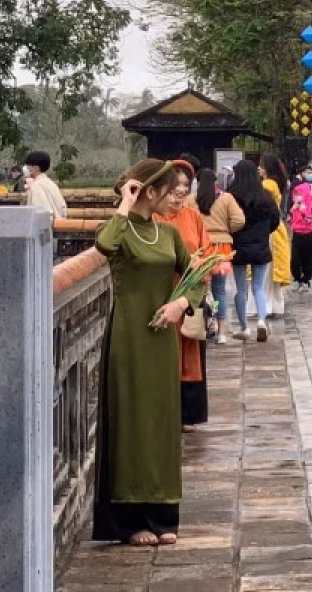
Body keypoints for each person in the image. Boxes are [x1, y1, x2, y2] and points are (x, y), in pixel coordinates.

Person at [92, 159, 205, 546]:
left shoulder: (169, 234)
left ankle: (162, 514)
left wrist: (180, 305)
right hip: (129, 338)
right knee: (132, 423)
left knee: (161, 421)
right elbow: (103, 244)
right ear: (150, 190)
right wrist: (126, 202)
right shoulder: (123, 231)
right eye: (170, 188)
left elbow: (197, 278)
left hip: (162, 341)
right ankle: (130, 520)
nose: (178, 195)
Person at [154, 161, 212, 432]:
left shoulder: (194, 217)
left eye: (185, 186)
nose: (180, 191)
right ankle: (161, 412)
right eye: (174, 186)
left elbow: (206, 252)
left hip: (187, 293)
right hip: (160, 293)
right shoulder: (153, 219)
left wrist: (200, 277)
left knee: (189, 350)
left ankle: (187, 414)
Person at [228, 161, 280, 342]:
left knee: (241, 288)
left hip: (238, 247)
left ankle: (243, 327)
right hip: (261, 247)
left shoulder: (231, 196)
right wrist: (264, 233)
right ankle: (261, 321)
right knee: (258, 287)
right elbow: (275, 220)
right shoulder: (265, 196)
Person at [200, 166, 242, 341]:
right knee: (220, 290)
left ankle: (204, 324)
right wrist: (226, 230)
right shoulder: (226, 198)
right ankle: (222, 331)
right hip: (222, 248)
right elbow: (239, 220)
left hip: (201, 248)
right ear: (216, 182)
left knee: (202, 290)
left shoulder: (192, 200)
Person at [258, 155, 292, 320]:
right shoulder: (276, 184)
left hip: (268, 230)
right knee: (273, 272)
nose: (259, 168)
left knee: (265, 272)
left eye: (261, 166)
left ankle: (265, 305)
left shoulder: (266, 185)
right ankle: (275, 305)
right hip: (277, 228)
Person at [290, 166, 312, 291]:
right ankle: (300, 278)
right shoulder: (299, 188)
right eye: (308, 172)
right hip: (299, 229)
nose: (310, 174)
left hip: (307, 229)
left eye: (311, 172)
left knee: (305, 256)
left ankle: (304, 279)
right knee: (300, 256)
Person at [23, 151, 68, 219]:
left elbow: (40, 213)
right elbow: (63, 209)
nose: (26, 168)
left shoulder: (37, 186)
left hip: (48, 227)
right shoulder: (51, 183)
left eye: (28, 166)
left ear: (36, 168)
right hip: (59, 225)